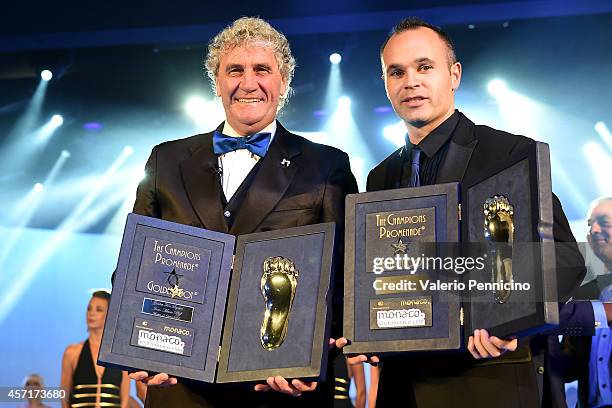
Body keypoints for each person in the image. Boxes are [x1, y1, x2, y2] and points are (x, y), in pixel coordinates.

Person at [342, 17, 607, 407]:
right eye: (396, 72)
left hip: (489, 377)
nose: (410, 81)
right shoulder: (380, 175)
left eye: (424, 67)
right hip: (403, 387)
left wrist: (511, 322)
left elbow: (566, 260)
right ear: (385, 83)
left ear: (454, 75)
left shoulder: (510, 154)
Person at [127, 16, 358, 408]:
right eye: (235, 70)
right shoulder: (166, 161)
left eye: (262, 70)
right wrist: (137, 347)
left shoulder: (326, 166)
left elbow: (343, 280)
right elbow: (135, 267)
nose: (248, 83)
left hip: (278, 386)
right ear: (217, 81)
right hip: (180, 386)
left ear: (283, 82)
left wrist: (311, 357)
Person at [562, 197, 612, 407]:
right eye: (591, 224)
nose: (595, 229)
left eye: (604, 221)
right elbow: (568, 366)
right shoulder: (584, 294)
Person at [61, 290, 130, 408]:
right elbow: (64, 396)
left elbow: (124, 396)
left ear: (109, 314)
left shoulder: (119, 354)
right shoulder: (72, 352)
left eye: (98, 309)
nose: (91, 313)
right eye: (89, 308)